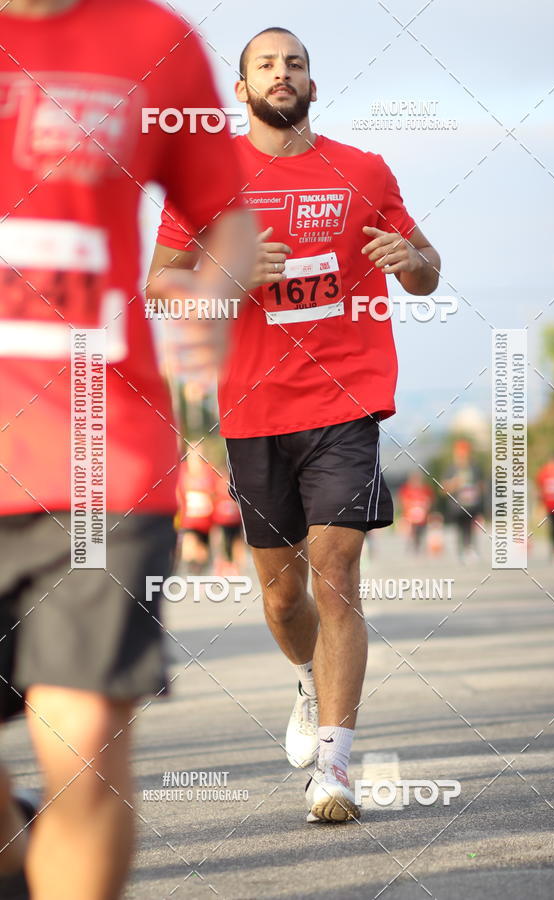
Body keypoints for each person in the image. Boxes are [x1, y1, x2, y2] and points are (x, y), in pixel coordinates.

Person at [148, 26, 440, 823]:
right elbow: (160, 286)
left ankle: (337, 769)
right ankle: (308, 683)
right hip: (254, 408)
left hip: (347, 399)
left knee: (336, 574)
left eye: (296, 63)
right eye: (266, 65)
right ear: (241, 90)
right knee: (283, 600)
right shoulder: (210, 180)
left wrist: (407, 260)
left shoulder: (363, 170)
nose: (284, 74)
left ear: (314, 82)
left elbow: (426, 269)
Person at [0, 1, 256, 897]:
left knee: (80, 749)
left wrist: (212, 303)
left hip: (95, 455)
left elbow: (226, 211)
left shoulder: (155, 44)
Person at [443, 439, 484, 561]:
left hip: (472, 504)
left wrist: (477, 491)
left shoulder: (475, 468)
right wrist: (454, 483)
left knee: (470, 527)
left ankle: (469, 549)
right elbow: (443, 488)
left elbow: (481, 485)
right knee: (460, 527)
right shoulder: (451, 469)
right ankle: (460, 550)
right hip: (456, 505)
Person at [177, 453, 216, 573]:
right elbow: (178, 491)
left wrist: (209, 502)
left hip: (205, 520)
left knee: (202, 552)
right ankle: (191, 569)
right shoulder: (182, 470)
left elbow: (215, 491)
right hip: (188, 519)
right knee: (189, 545)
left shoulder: (208, 470)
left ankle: (200, 571)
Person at [398, 472, 435, 553]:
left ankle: (418, 547)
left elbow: (430, 501)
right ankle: (411, 546)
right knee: (410, 532)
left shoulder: (425, 489)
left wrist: (425, 507)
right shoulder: (406, 489)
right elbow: (403, 501)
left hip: (422, 517)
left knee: (420, 533)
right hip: (410, 516)